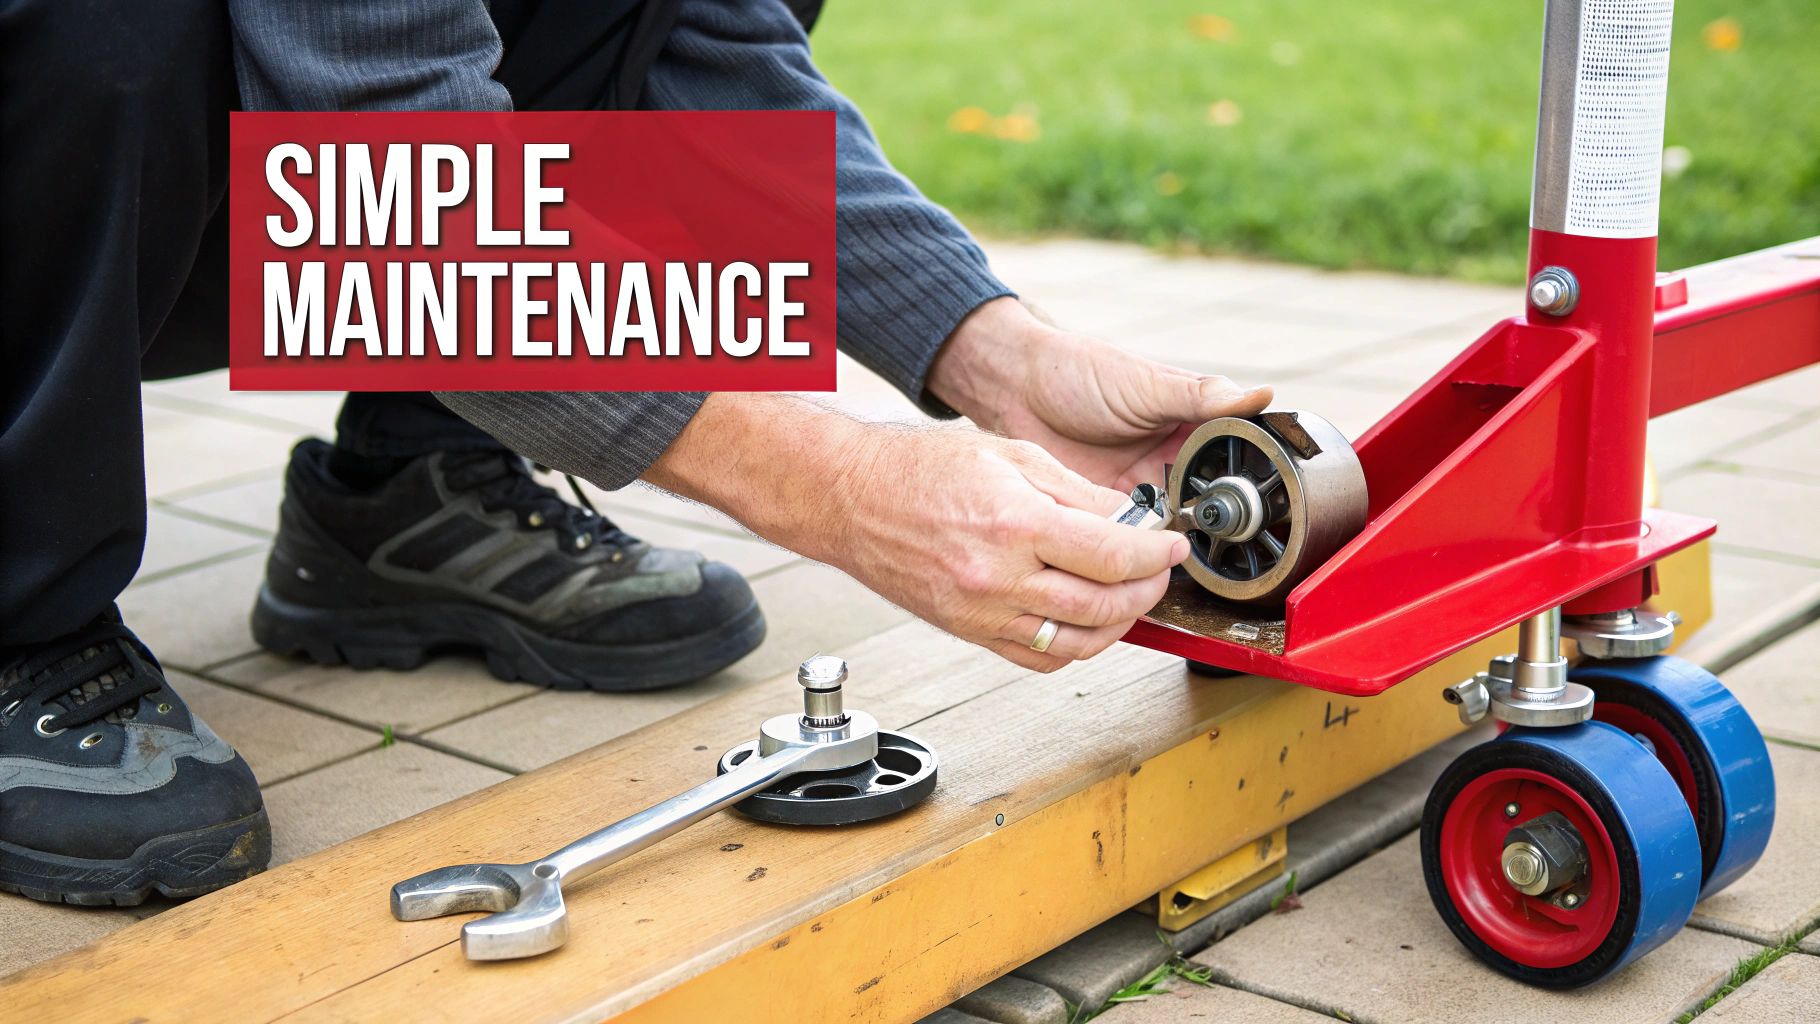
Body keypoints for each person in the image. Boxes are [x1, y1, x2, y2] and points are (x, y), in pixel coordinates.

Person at [0, 0, 1270, 908]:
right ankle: (20, 604)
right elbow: (384, 137)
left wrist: (995, 358)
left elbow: (709, 52)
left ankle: (413, 481)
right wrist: (842, 488)